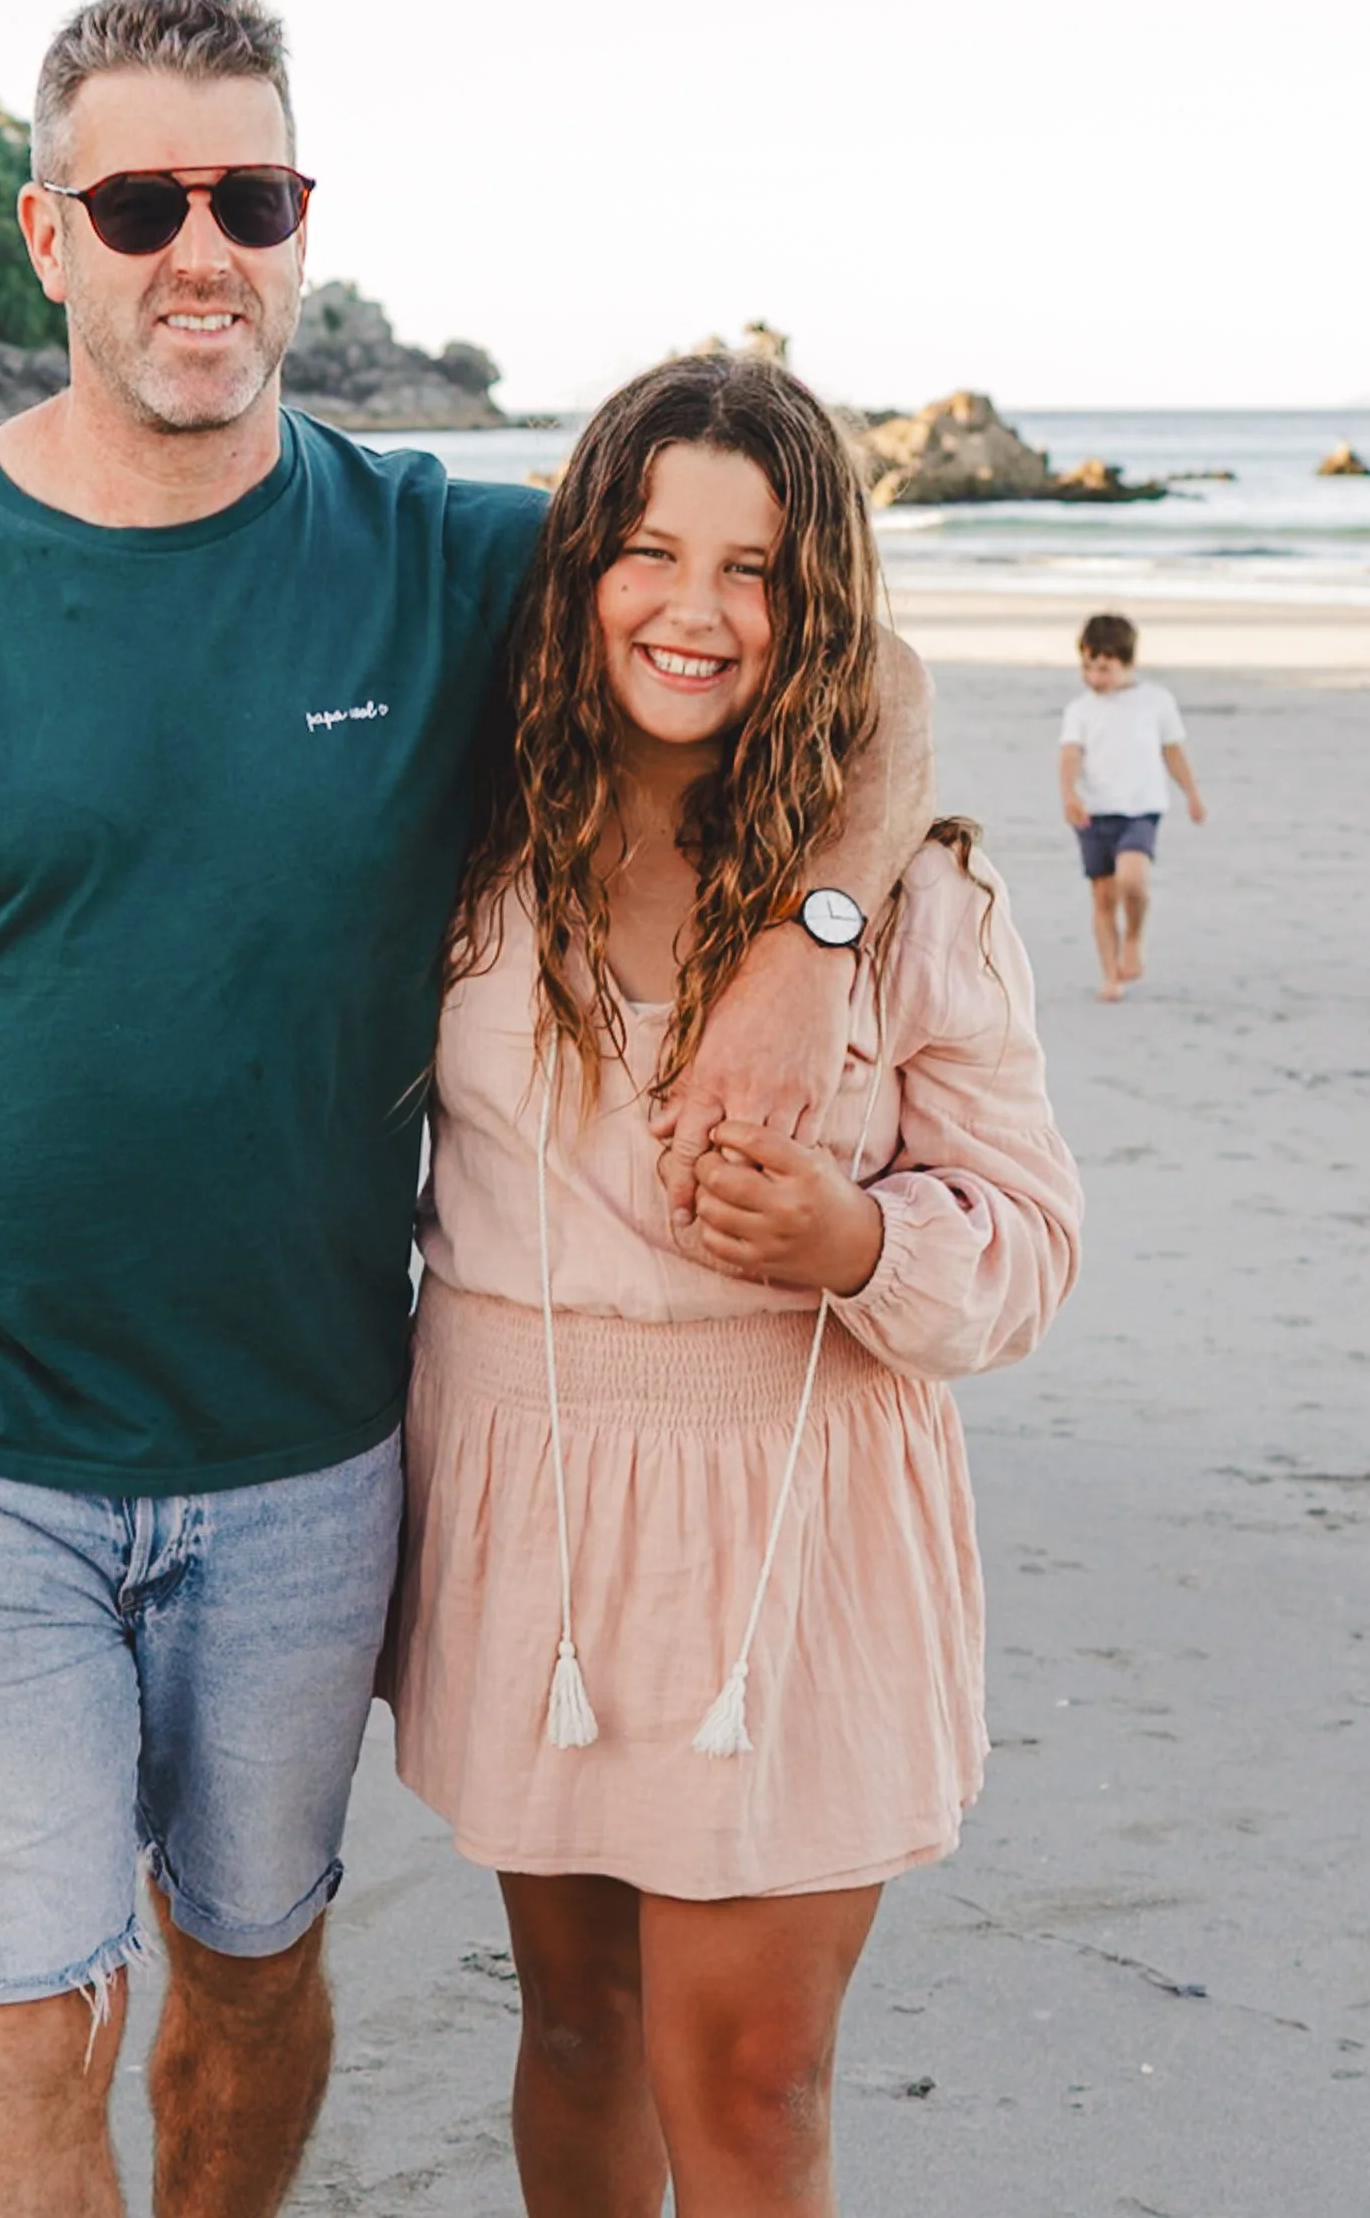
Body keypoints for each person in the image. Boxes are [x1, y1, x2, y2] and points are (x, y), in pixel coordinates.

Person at [0, 0, 937, 2218]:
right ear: (45, 234)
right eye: (142, 198)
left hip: (308, 1456)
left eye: (245, 195)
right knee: (27, 2017)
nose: (201, 247)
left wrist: (802, 950)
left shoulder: (447, 564)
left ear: (298, 226)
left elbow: (848, 651)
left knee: (251, 1979)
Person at [388, 354, 1081, 2218]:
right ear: (578, 567)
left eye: (757, 569)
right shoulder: (471, 844)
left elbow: (1029, 1246)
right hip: (533, 1500)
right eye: (646, 550)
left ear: (822, 602)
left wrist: (853, 1245)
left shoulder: (914, 891)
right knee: (583, 2034)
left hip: (797, 1515)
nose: (694, 610)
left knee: (757, 2080)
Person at [1058, 610, 1206, 1002]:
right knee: (1103, 897)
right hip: (1094, 810)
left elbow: (1172, 750)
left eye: (1103, 668)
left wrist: (1191, 792)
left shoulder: (1156, 702)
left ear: (1127, 663)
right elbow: (1070, 755)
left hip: (1141, 808)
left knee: (1133, 879)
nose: (1093, 676)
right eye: (1087, 666)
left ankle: (1135, 938)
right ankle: (1111, 975)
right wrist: (1069, 794)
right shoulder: (1080, 710)